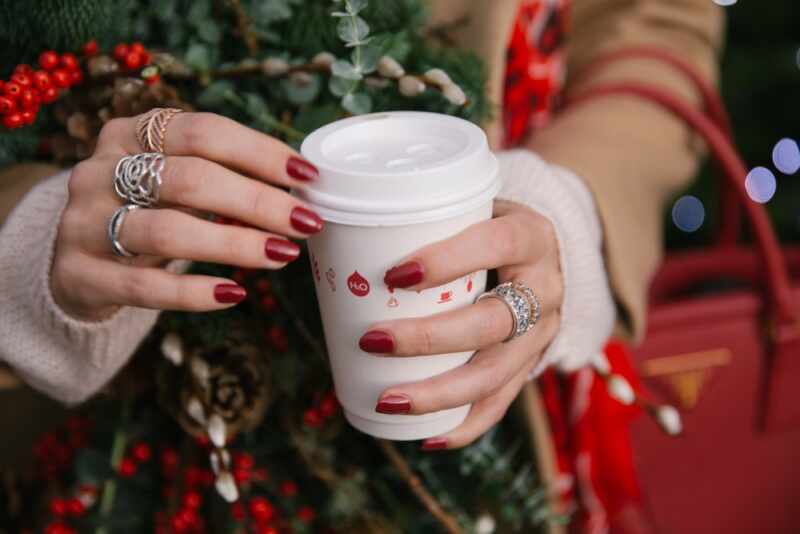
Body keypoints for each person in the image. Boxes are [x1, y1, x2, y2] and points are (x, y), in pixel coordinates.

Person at [0, 0, 722, 459]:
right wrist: (37, 239)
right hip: (114, 454)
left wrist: (558, 202)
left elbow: (659, 25)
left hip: (508, 449)